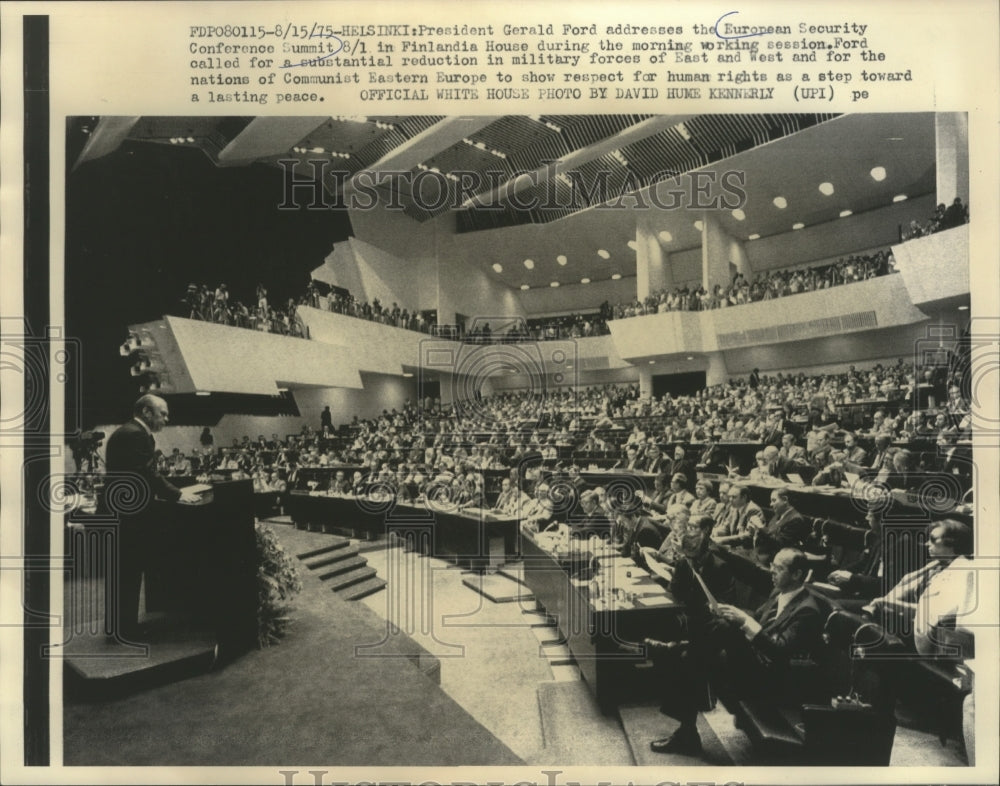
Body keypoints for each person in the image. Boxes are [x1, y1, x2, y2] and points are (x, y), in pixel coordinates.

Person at [648, 548, 824, 756]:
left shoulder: (807, 610)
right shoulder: (779, 593)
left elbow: (780, 652)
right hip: (753, 662)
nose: (772, 572)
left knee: (721, 632)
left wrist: (743, 621)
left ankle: (677, 648)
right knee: (697, 655)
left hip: (772, 677)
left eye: (779, 568)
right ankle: (686, 730)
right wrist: (729, 610)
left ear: (797, 574)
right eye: (772, 566)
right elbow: (756, 617)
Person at [103, 394, 200, 640]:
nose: (167, 419)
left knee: (125, 573)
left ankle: (120, 627)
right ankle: (124, 630)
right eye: (163, 413)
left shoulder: (131, 432)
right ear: (146, 412)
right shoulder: (135, 434)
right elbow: (144, 474)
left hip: (122, 512)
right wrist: (177, 494)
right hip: (127, 516)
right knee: (129, 573)